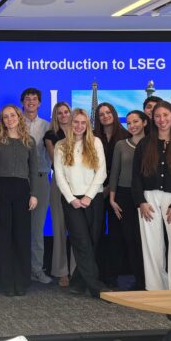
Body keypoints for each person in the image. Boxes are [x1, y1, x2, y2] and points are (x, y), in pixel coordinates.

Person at [132, 101, 171, 291]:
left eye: (166, 115)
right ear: (153, 119)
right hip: (148, 198)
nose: (162, 120)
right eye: (158, 116)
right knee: (151, 245)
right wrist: (140, 201)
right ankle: (156, 288)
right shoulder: (145, 143)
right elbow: (135, 176)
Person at [53, 109, 107, 297]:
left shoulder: (95, 142)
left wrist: (88, 197)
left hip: (94, 199)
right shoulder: (60, 146)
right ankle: (96, 287)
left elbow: (101, 172)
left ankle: (77, 282)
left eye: (83, 123)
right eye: (75, 122)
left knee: (92, 241)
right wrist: (72, 199)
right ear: (70, 123)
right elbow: (59, 176)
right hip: (71, 201)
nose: (79, 126)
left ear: (87, 125)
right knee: (81, 242)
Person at [0, 105, 38, 296]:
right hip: (0, 190)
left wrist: (34, 194)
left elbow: (33, 170)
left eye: (13, 115)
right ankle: (6, 281)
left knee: (21, 237)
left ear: (19, 117)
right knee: (3, 237)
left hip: (23, 191)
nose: (10, 119)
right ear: (2, 120)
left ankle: (22, 281)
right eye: (6, 117)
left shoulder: (29, 141)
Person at [109, 110, 148, 290]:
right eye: (129, 122)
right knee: (131, 239)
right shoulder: (120, 145)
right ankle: (139, 280)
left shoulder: (152, 144)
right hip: (124, 196)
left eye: (136, 121)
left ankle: (151, 279)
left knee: (148, 240)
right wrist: (112, 198)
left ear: (145, 122)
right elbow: (114, 173)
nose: (132, 125)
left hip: (148, 196)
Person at [95, 102, 129, 283]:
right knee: (97, 233)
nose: (105, 116)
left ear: (114, 114)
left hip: (118, 192)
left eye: (108, 112)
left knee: (117, 234)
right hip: (96, 191)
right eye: (101, 114)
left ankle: (114, 274)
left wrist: (111, 188)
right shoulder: (92, 137)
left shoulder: (126, 135)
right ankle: (99, 272)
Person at [21, 87, 51, 285]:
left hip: (40, 179)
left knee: (37, 228)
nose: (31, 102)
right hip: (19, 179)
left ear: (40, 103)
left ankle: (36, 269)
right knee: (18, 227)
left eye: (35, 99)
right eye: (27, 99)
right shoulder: (13, 123)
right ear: (22, 102)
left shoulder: (48, 126)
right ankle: (20, 270)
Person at [44, 101, 74, 287]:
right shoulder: (50, 135)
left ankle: (78, 270)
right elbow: (57, 160)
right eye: (59, 113)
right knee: (60, 227)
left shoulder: (81, 132)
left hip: (80, 184)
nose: (63, 115)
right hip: (59, 182)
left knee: (78, 229)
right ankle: (62, 271)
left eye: (66, 112)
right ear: (55, 116)